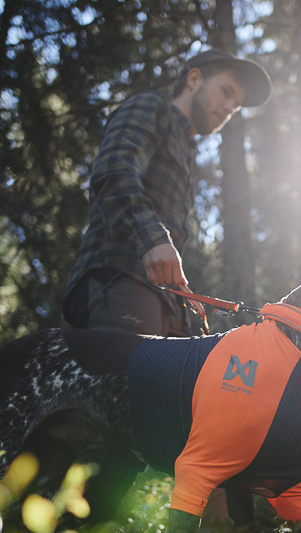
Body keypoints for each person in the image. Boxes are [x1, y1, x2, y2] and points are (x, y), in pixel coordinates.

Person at [63, 48, 272, 336]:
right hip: (118, 280)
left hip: (166, 306)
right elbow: (114, 170)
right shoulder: (151, 107)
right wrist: (153, 239)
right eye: (226, 92)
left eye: (235, 106)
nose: (228, 108)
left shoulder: (187, 152)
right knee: (137, 367)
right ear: (193, 79)